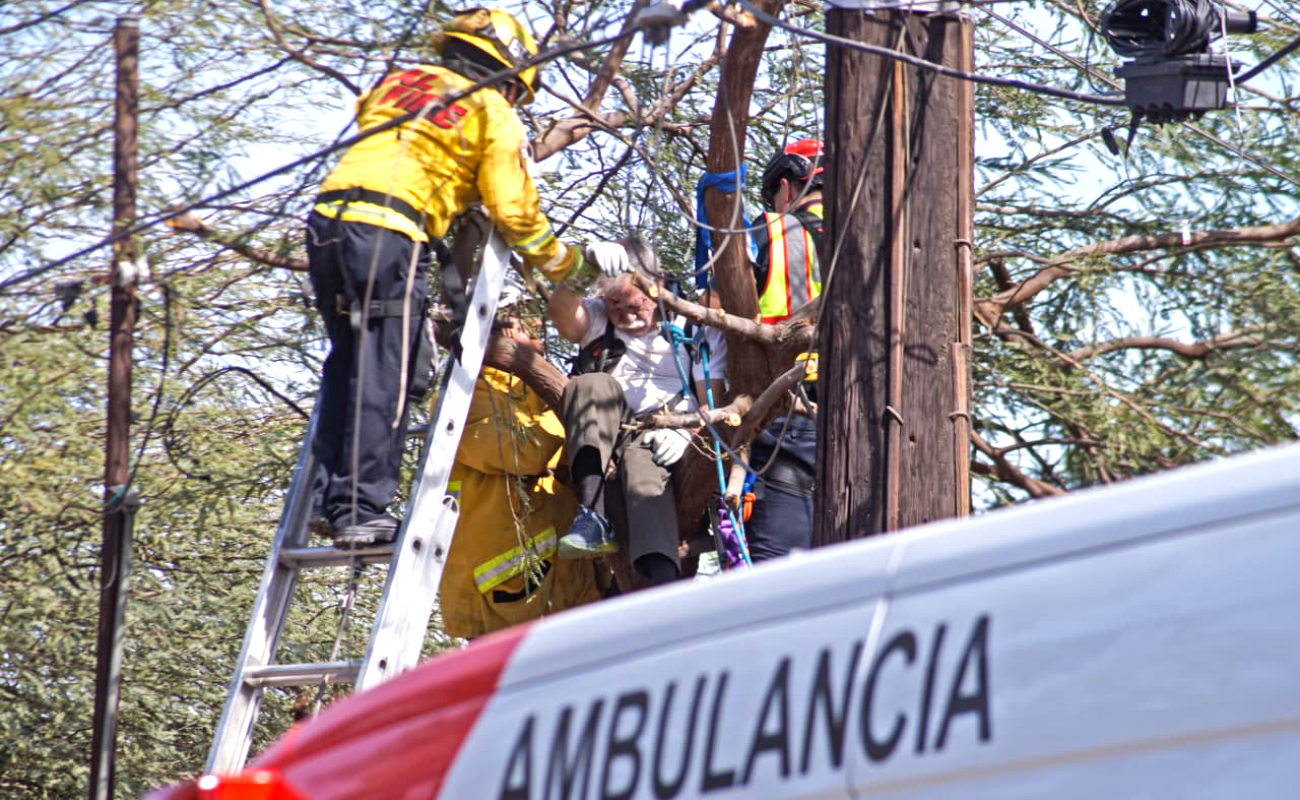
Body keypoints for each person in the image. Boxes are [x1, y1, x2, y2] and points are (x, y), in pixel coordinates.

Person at [305, 8, 612, 545]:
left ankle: (329, 499)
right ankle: (358, 510)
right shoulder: (493, 109)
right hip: (388, 232)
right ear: (509, 74)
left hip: (327, 227)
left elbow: (411, 145)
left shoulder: (400, 83)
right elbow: (514, 210)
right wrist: (566, 264)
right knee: (390, 371)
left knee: (350, 363)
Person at [547, 238, 727, 586]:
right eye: (613, 303)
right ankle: (592, 515)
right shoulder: (599, 321)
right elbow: (562, 315)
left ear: (655, 283)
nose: (625, 313)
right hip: (608, 432)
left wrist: (688, 433)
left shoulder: (691, 325)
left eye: (634, 303)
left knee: (643, 462)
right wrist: (582, 268)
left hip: (671, 434)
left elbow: (712, 403)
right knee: (587, 385)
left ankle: (660, 581)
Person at [437, 319, 602, 638]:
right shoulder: (467, 394)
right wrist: (567, 410)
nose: (541, 339)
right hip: (506, 597)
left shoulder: (528, 391)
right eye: (531, 330)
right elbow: (521, 452)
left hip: (564, 588)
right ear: (507, 334)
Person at [745, 139, 825, 561]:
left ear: (787, 188)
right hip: (877, 426)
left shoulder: (773, 231)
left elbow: (715, 317)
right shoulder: (888, 243)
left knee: (777, 585)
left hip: (787, 416)